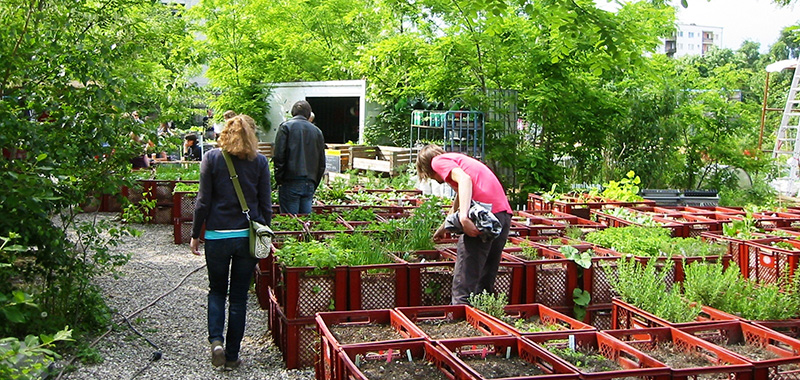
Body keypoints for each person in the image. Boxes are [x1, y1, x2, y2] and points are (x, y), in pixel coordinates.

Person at [190, 114, 272, 370]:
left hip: (217, 236)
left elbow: (203, 201)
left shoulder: (212, 159)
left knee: (216, 290)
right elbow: (265, 204)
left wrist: (195, 234)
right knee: (238, 297)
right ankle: (233, 354)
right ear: (252, 135)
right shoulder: (259, 162)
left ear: (224, 133)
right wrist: (265, 234)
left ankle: (216, 341)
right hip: (246, 237)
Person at [416, 144, 512, 305]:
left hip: (484, 215)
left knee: (466, 274)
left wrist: (464, 218)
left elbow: (464, 180)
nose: (433, 179)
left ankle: (458, 315)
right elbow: (461, 195)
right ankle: (484, 314)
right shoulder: (459, 159)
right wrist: (444, 227)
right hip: (502, 215)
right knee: (486, 274)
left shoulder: (437, 161)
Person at [272, 100, 325, 214]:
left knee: (290, 222)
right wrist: (315, 181)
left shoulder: (286, 127)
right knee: (305, 223)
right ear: (308, 114)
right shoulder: (317, 132)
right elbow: (321, 162)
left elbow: (279, 156)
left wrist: (279, 178)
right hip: (310, 181)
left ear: (293, 112)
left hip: (290, 179)